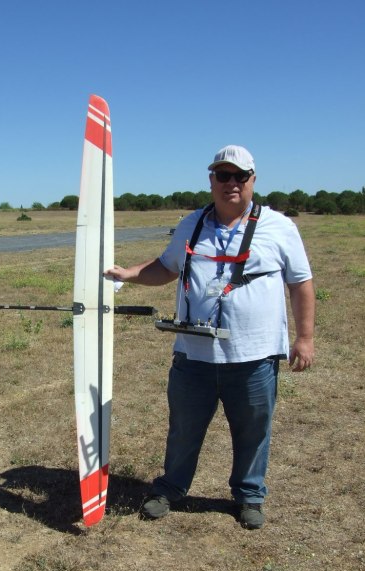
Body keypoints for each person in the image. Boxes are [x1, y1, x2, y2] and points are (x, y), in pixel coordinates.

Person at [105, 145, 315, 530]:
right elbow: (166, 267)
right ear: (212, 180)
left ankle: (249, 495)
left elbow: (300, 283)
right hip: (194, 356)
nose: (231, 183)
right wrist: (129, 274)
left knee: (253, 432)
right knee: (183, 430)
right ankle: (170, 488)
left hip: (254, 357)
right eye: (223, 175)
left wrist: (304, 337)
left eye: (240, 176)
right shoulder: (192, 224)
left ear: (252, 180)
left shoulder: (280, 227)